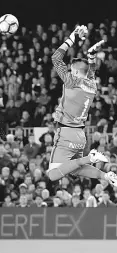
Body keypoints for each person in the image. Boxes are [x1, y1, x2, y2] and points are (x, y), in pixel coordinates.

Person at [47, 25, 117, 188]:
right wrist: (91, 56)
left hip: (66, 132)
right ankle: (106, 176)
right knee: (74, 168)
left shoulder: (71, 82)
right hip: (79, 135)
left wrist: (72, 36)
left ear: (76, 73)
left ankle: (90, 157)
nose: (69, 72)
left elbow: (56, 58)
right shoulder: (92, 85)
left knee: (52, 174)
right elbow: (91, 70)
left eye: (72, 70)